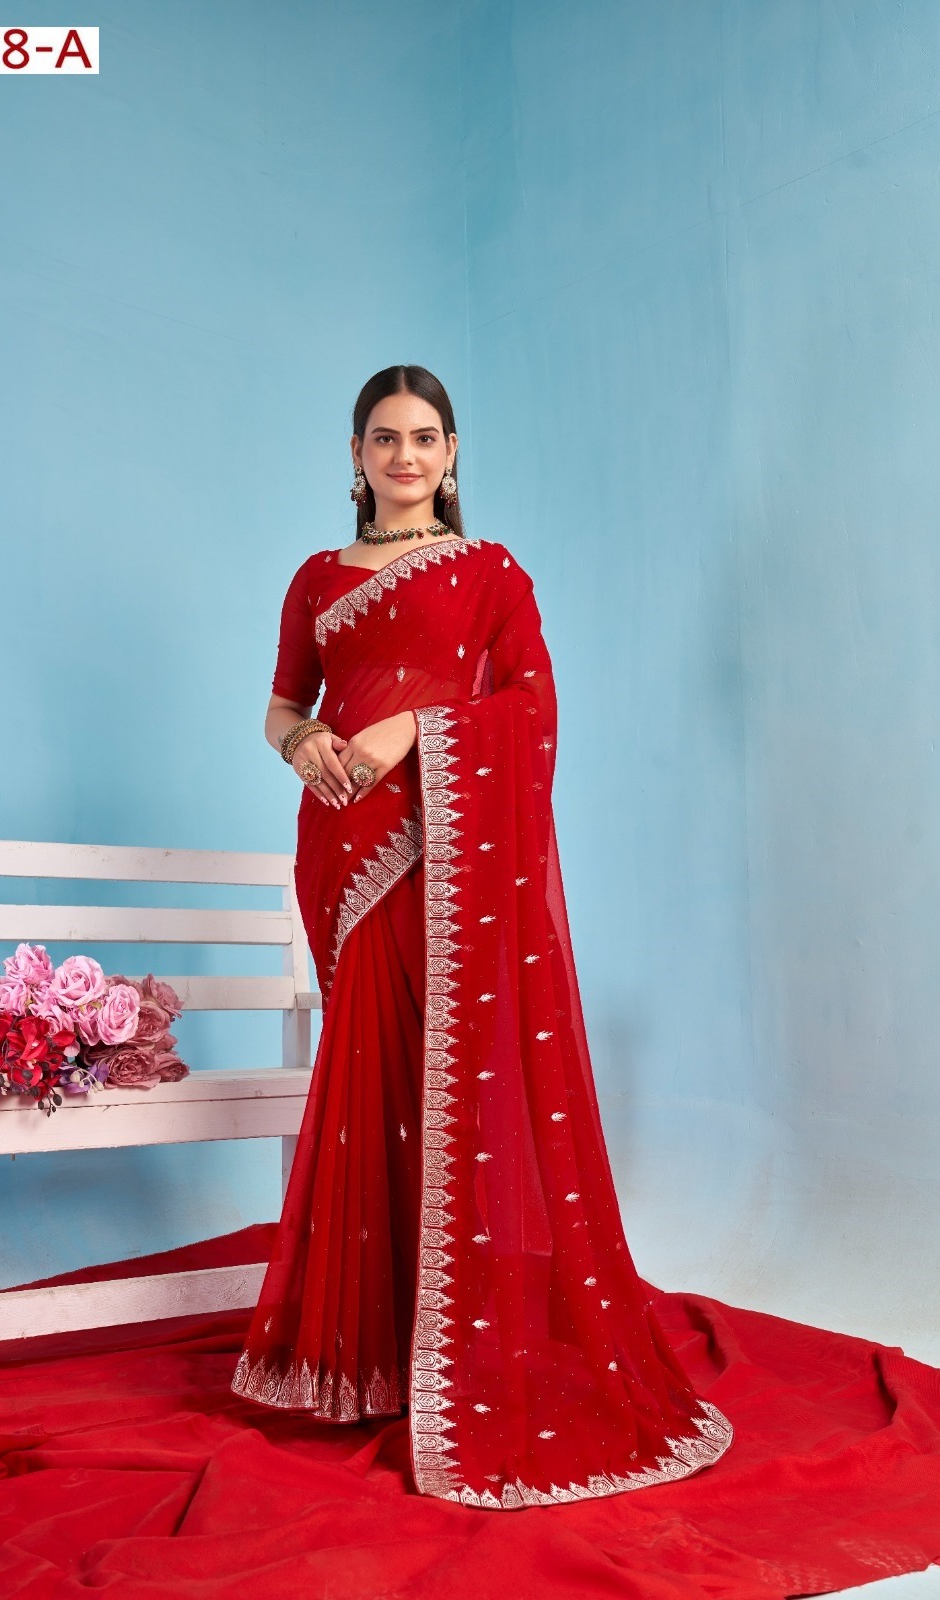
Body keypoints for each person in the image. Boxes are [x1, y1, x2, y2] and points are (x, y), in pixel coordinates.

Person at [230, 364, 734, 1510]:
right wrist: (302, 743)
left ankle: (453, 1344)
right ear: (354, 455)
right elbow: (281, 702)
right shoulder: (315, 578)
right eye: (383, 437)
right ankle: (365, 1357)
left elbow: (531, 707)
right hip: (346, 845)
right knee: (368, 1079)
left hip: (441, 849)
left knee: (447, 1080)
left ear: (451, 453)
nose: (404, 456)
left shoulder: (491, 573)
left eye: (424, 437)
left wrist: (413, 726)